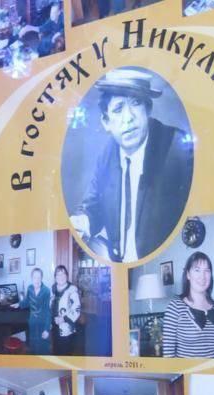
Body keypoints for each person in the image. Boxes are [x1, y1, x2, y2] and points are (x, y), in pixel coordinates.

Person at [69, 68, 193, 263]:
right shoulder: (108, 155)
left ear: (148, 109)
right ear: (106, 122)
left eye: (135, 103)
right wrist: (82, 222)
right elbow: (93, 205)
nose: (128, 117)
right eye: (118, 109)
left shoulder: (178, 150)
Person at [162, 252, 214, 358]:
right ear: (188, 274)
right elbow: (168, 354)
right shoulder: (175, 306)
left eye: (207, 271)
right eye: (197, 270)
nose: (202, 276)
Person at [11, 268, 52, 355]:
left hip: (42, 323)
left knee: (43, 347)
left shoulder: (46, 291)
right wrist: (19, 304)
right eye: (34, 277)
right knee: (33, 346)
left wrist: (46, 329)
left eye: (39, 277)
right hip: (32, 322)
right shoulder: (30, 288)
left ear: (42, 278)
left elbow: (47, 311)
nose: (36, 280)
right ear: (32, 278)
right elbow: (27, 301)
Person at [51, 265, 82, 355]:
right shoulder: (53, 289)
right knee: (56, 351)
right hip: (55, 327)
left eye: (63, 274)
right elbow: (51, 305)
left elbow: (77, 310)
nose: (60, 276)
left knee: (65, 353)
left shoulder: (72, 290)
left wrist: (63, 319)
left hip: (67, 328)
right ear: (55, 277)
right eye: (58, 274)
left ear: (67, 276)